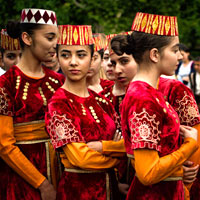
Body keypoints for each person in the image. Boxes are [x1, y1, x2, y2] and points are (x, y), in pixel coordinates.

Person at [120, 12, 198, 199]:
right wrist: (190, 145)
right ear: (155, 54)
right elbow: (148, 173)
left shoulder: (147, 93)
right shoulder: (143, 99)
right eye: (174, 50)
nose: (179, 55)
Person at [45, 24, 125, 200]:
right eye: (65, 55)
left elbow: (127, 142)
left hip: (111, 189)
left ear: (92, 59)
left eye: (81, 55)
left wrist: (105, 148)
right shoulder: (58, 103)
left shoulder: (102, 100)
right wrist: (117, 158)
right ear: (57, 58)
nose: (73, 62)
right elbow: (80, 159)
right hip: (78, 192)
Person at [0, 8, 64, 200]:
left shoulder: (58, 81)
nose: (56, 44)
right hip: (22, 179)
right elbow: (4, 145)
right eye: (50, 37)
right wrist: (41, 184)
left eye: (56, 38)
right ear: (27, 39)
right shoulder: (6, 84)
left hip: (61, 173)